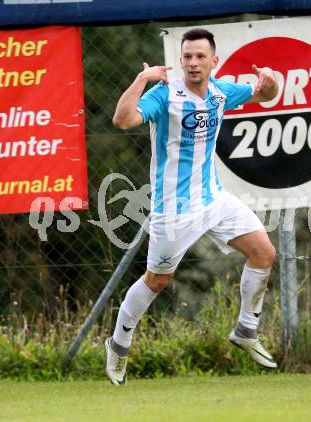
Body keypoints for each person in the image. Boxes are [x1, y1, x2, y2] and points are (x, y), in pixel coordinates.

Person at [105, 28, 279, 385]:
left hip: (214, 199)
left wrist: (270, 81)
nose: (193, 63)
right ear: (180, 60)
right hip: (174, 210)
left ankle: (246, 330)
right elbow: (123, 120)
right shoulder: (164, 95)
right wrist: (141, 79)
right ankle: (119, 345)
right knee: (157, 280)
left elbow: (265, 95)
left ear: (214, 61)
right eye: (187, 57)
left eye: (200, 56)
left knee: (264, 252)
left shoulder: (221, 91)